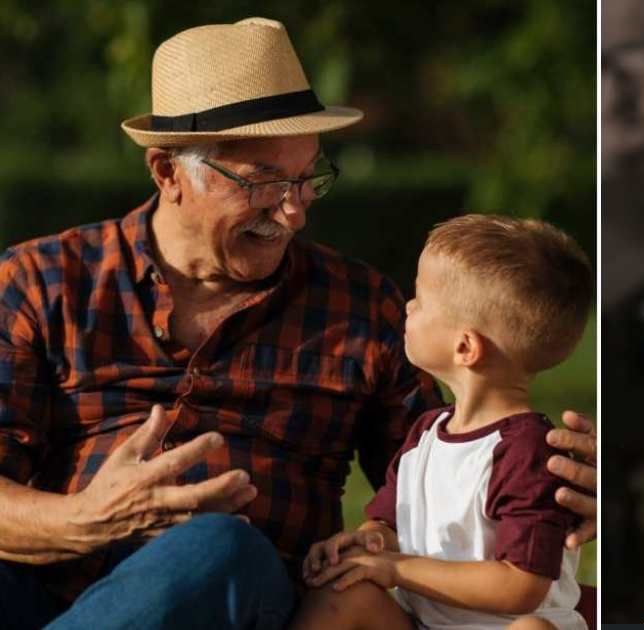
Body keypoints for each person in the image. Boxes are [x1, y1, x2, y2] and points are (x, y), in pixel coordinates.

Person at [0, 18, 596, 630]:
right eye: (262, 182)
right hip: (46, 587)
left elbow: (448, 469)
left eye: (307, 178)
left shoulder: (359, 308)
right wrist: (88, 519)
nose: (293, 212)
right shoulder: (41, 280)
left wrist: (549, 489)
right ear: (167, 172)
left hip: (232, 593)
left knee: (217, 549)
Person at [291, 214, 592, 630]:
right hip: (425, 623)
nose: (408, 307)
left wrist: (396, 569)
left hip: (504, 625)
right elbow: (391, 522)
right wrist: (370, 543)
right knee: (344, 594)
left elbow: (522, 586)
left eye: (419, 299)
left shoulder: (527, 453)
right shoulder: (426, 433)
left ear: (465, 346)